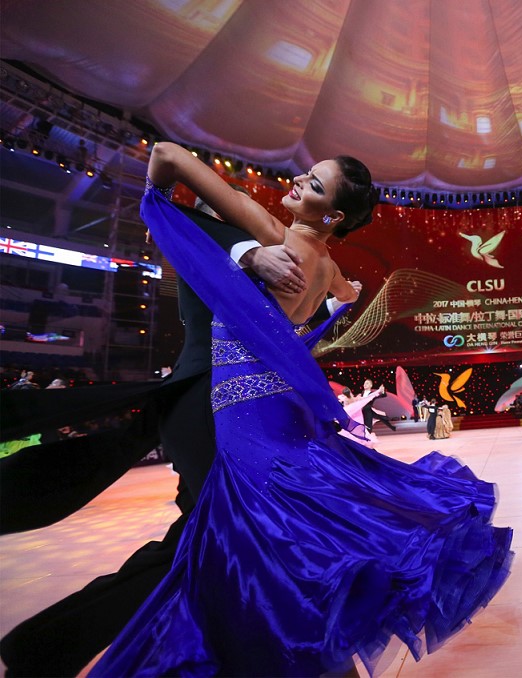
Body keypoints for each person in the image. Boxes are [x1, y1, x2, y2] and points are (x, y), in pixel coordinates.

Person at [87, 142, 512, 676]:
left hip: (246, 416)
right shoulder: (330, 270)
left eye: (312, 184)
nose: (296, 182)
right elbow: (337, 304)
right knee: (287, 538)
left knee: (260, 544)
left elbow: (168, 154)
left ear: (332, 216)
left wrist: (158, 202)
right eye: (307, 174)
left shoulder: (272, 234)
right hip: (281, 411)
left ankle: (278, 652)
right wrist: (328, 297)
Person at [0, 190, 313, 677]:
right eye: (234, 208)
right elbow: (170, 184)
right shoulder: (209, 244)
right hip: (205, 401)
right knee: (223, 533)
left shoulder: (252, 255)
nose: (250, 213)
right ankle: (48, 644)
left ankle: (47, 644)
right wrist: (252, 253)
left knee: (201, 537)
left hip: (226, 406)